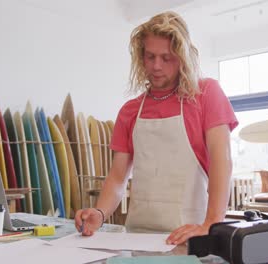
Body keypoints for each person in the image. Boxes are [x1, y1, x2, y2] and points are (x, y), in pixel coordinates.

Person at [74, 11, 238, 245]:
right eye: (150, 57)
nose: (157, 66)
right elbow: (118, 176)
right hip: (137, 236)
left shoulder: (205, 94)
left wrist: (211, 222)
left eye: (166, 58)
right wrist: (100, 213)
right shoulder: (131, 110)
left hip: (189, 235)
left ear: (182, 57)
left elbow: (222, 160)